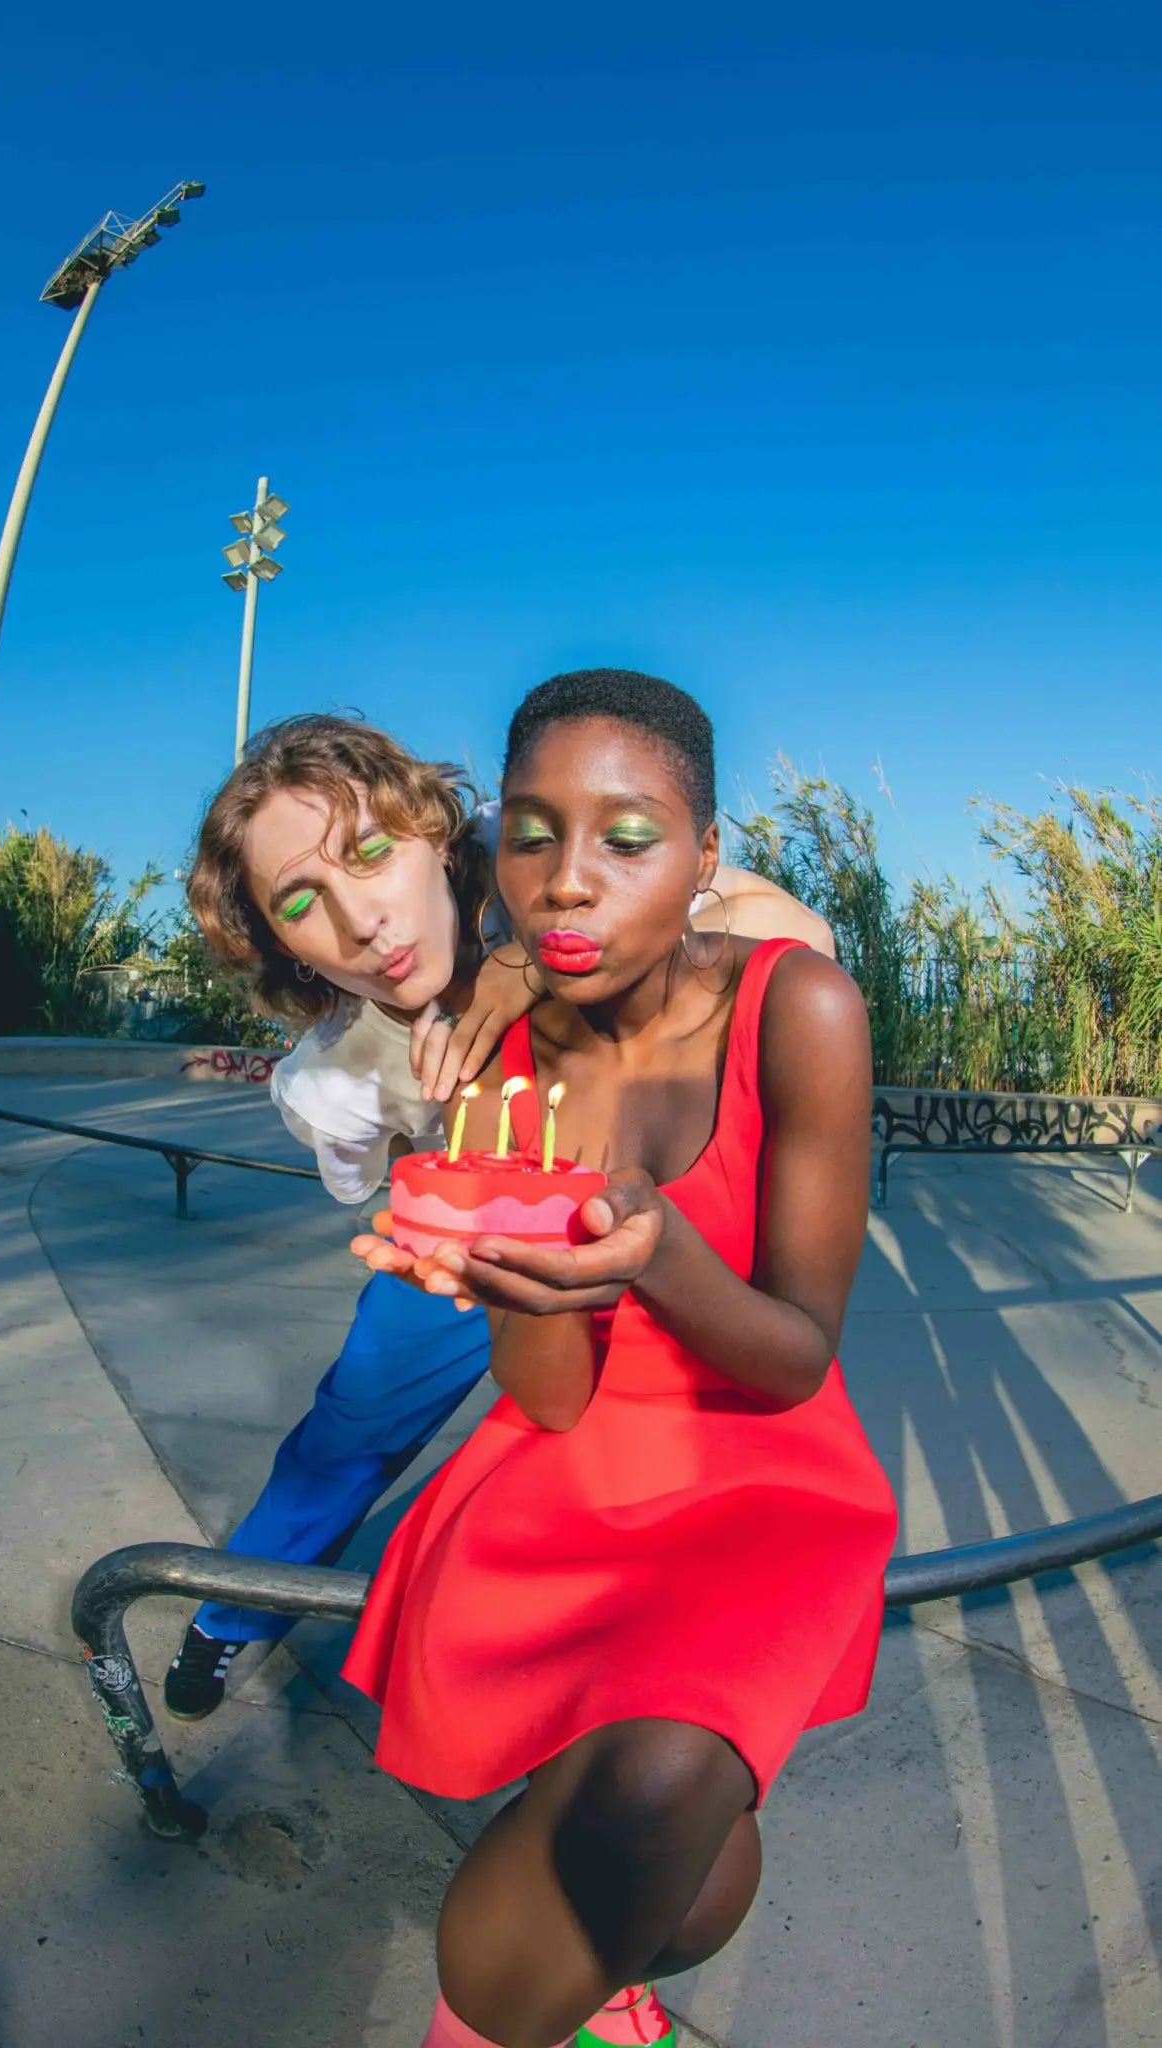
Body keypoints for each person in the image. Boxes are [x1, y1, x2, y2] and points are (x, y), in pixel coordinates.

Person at [346, 670, 897, 2048]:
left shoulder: (799, 1007)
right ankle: (604, 1999)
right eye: (530, 835)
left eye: (627, 837)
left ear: (706, 857)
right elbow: (547, 1397)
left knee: (654, 1805)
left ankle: (488, 2020)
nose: (567, 880)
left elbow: (795, 1355)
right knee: (682, 1872)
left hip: (759, 1468)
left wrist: (654, 1251)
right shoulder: (501, 1063)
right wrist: (509, 1275)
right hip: (567, 1470)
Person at [163, 710, 836, 1721]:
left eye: (371, 853)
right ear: (284, 948)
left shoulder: (529, 857)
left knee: (653, 1446)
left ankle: (642, 1667)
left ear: (436, 836)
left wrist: (534, 956)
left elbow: (799, 934)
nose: (362, 922)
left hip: (627, 1201)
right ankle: (230, 1616)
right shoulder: (330, 1081)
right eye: (302, 901)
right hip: (470, 1233)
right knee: (347, 1430)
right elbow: (380, 1184)